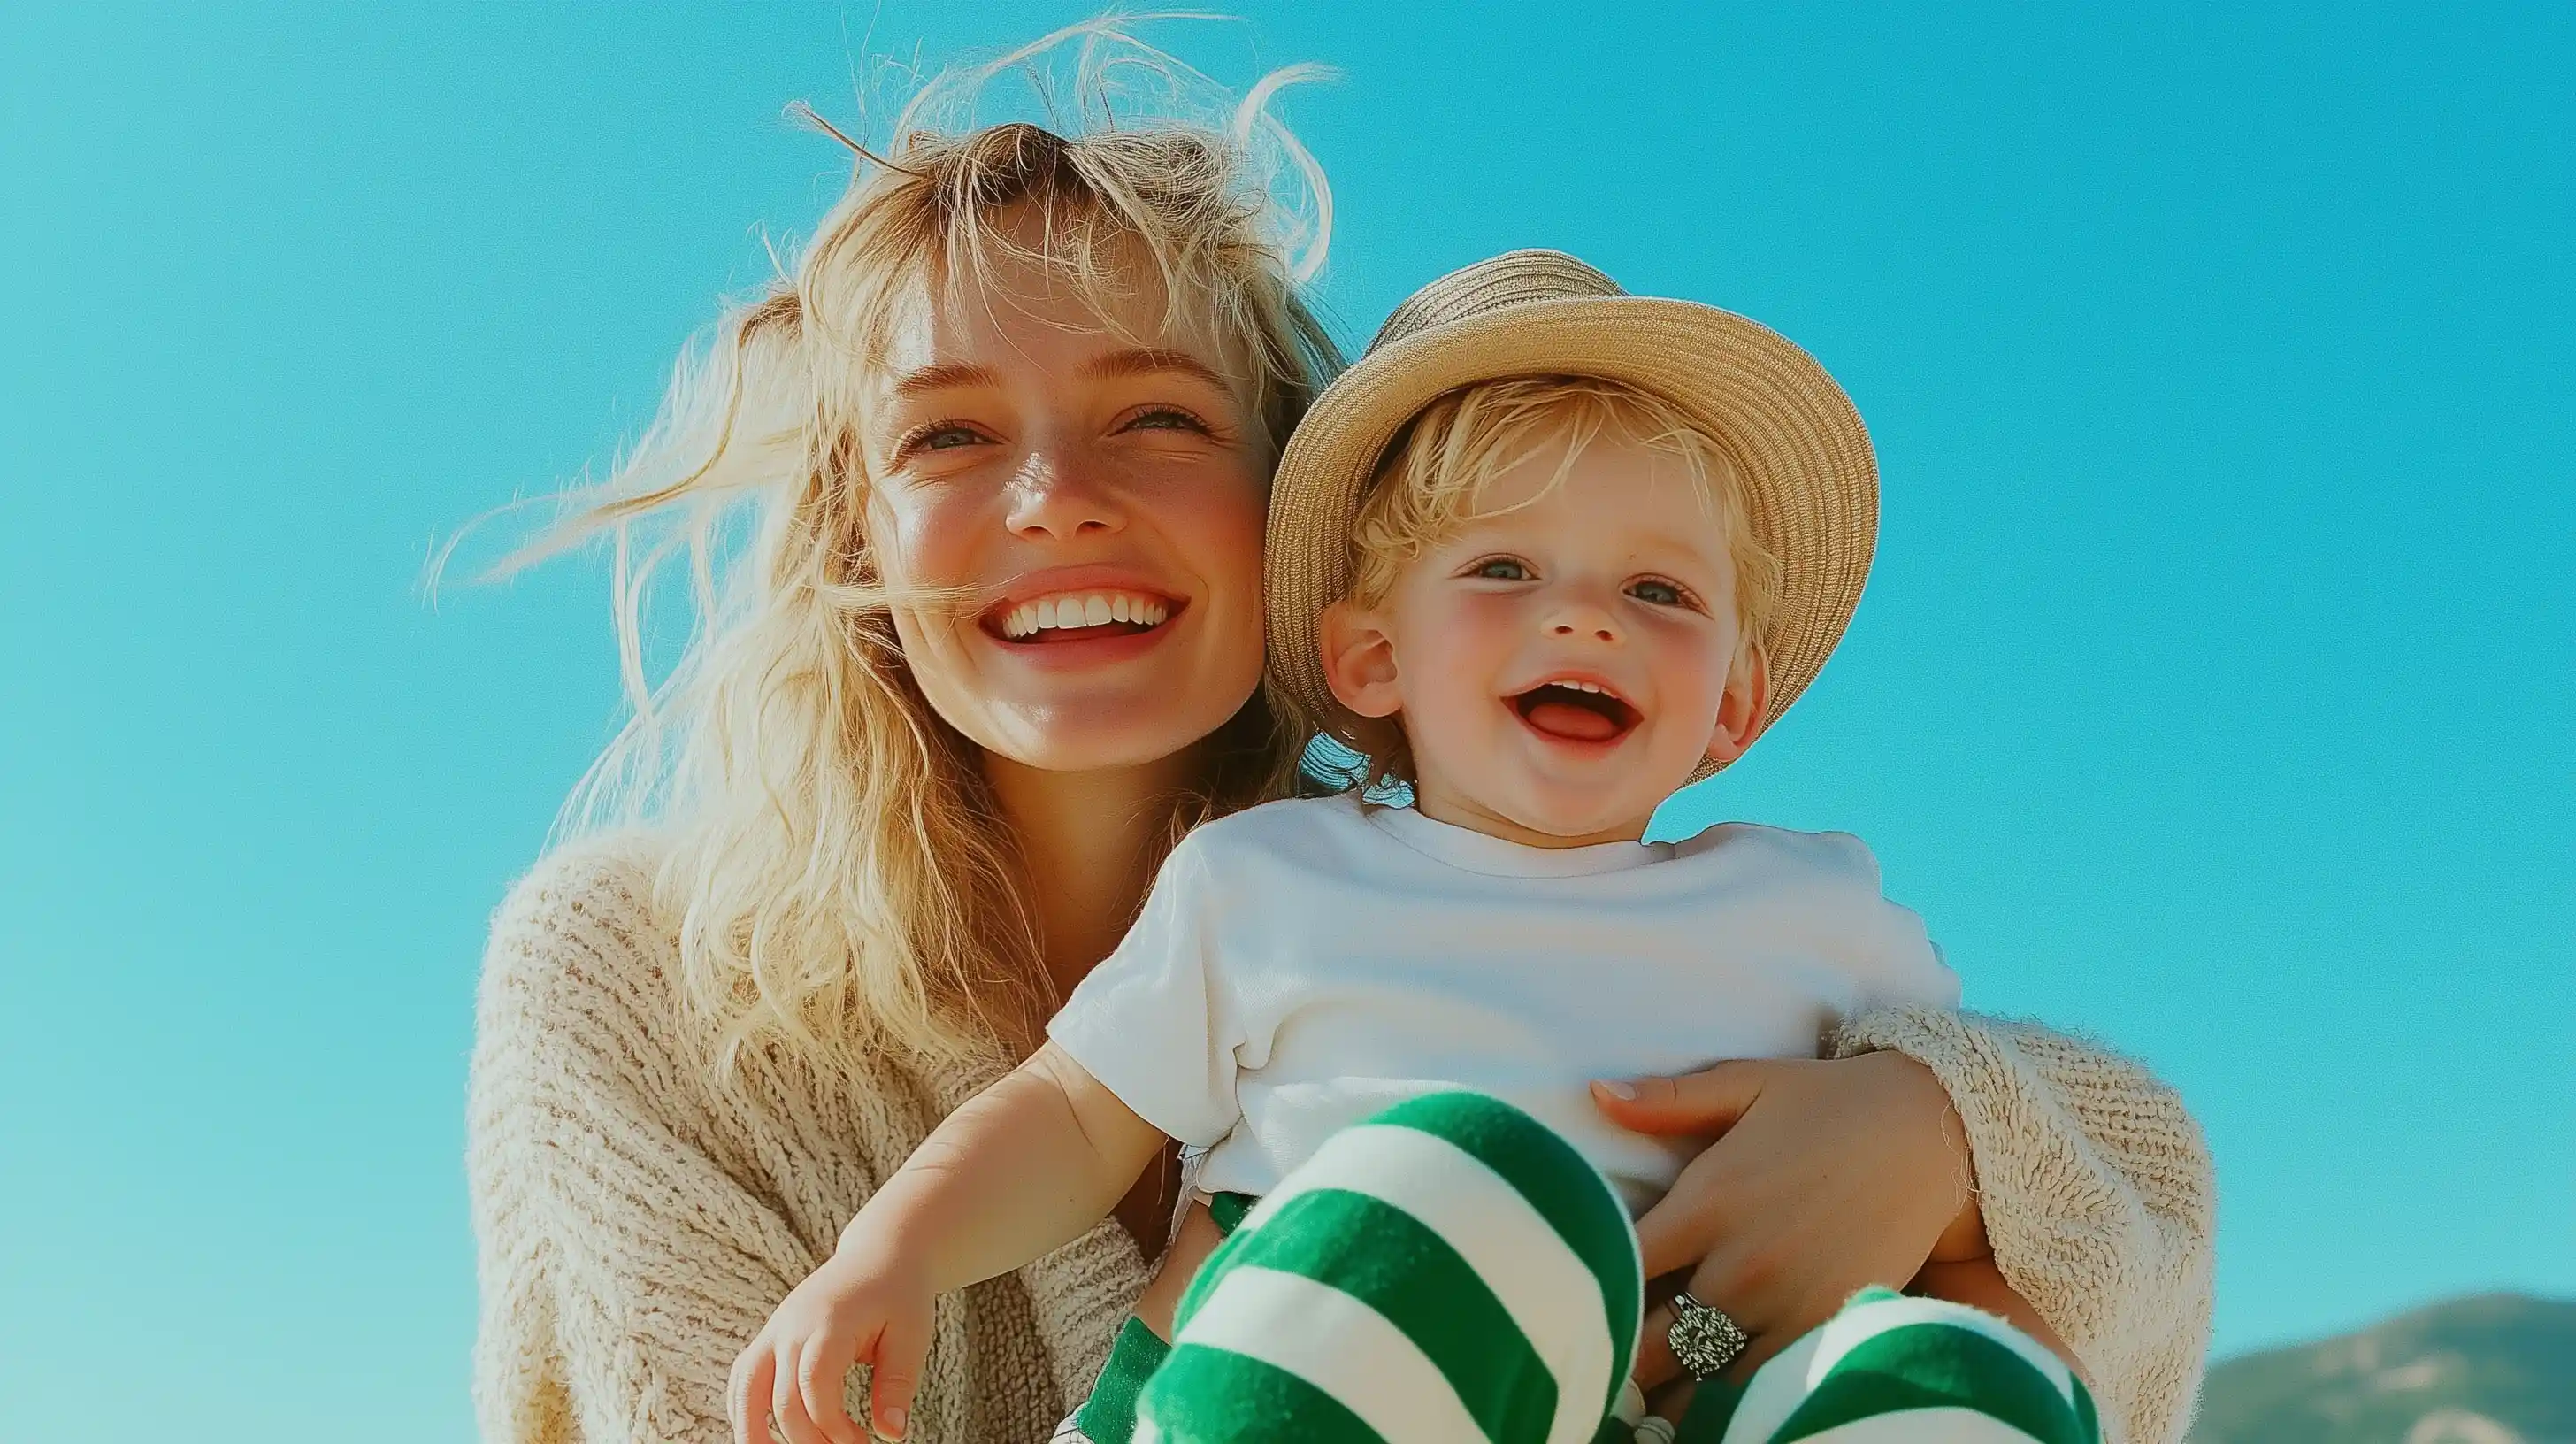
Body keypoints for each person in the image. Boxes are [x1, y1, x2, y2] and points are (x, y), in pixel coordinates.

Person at [465, 26, 2212, 1444]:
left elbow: (2139, 1197)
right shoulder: (640, 972)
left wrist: (1932, 1131)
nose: (1057, 500)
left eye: (1157, 414)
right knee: (1463, 1189)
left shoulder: (1557, 880)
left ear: (1286, 508)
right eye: (946, 438)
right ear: (857, 538)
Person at [732, 250, 2106, 1444]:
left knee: (1952, 1377)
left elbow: (1978, 1200)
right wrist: (892, 1251)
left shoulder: (1820, 912)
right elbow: (1077, 1114)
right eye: (1503, 572)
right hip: (1285, 1375)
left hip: (1678, 1397)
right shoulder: (1271, 880)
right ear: (1372, 657)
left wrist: (1858, 1334)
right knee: (1459, 1188)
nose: (1584, 621)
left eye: (1658, 589)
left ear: (1735, 702)